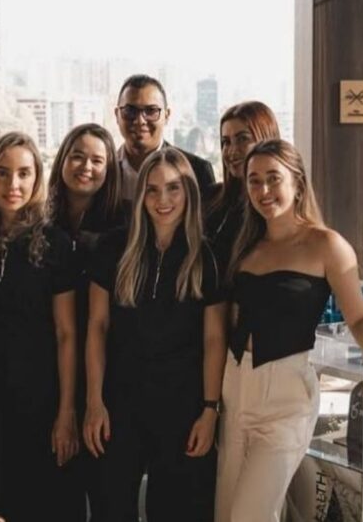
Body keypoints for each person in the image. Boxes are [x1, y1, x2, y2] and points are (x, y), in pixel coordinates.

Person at [215, 139, 363, 522]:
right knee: (227, 512)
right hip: (235, 385)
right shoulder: (246, 245)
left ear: (297, 182)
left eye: (273, 179)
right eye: (254, 180)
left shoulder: (326, 244)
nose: (263, 190)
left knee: (250, 515)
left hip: (286, 396)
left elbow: (358, 317)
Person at [84, 148, 226, 522]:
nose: (163, 200)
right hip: (118, 404)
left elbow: (214, 341)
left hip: (182, 408)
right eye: (152, 190)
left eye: (174, 188)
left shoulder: (207, 258)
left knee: (176, 512)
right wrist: (94, 402)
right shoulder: (113, 247)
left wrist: (210, 411)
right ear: (140, 196)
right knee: (111, 510)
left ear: (189, 193)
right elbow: (96, 328)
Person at [0, 132, 83, 520]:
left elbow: (66, 334)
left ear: (37, 179)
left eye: (24, 174)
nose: (13, 185)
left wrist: (66, 412)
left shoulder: (56, 244)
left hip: (41, 399)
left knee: (43, 504)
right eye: (3, 174)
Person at [48, 122, 127, 521]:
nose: (86, 166)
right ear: (62, 160)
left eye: (97, 160)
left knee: (108, 494)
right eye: (77, 156)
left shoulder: (124, 225)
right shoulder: (39, 224)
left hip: (106, 375)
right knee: (57, 496)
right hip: (51, 373)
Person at [204, 101, 280, 272]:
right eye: (226, 142)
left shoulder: (274, 206)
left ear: (265, 140)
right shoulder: (210, 197)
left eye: (242, 139)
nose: (231, 151)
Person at [114, 74, 215, 200]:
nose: (140, 121)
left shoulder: (196, 171)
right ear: (117, 115)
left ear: (167, 116)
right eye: (130, 111)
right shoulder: (102, 172)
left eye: (151, 111)